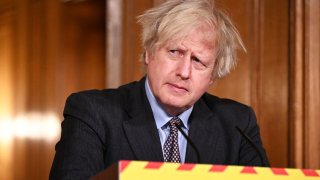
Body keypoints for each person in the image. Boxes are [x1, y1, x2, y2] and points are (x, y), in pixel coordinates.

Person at [50, 0, 269, 179]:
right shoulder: (93, 112)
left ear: (213, 75)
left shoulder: (238, 123)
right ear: (149, 53)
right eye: (174, 52)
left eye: (198, 61)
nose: (184, 72)